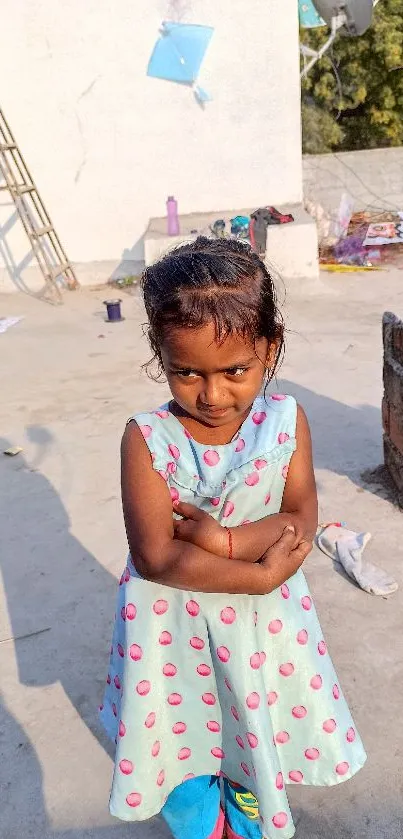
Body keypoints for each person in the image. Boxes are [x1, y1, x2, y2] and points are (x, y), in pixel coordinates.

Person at [99, 237, 366, 839]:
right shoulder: (146, 438)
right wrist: (260, 571)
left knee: (251, 731)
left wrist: (220, 542)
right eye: (185, 371)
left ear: (268, 350)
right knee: (185, 747)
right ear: (158, 354)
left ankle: (247, 817)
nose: (212, 394)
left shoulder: (285, 420)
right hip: (171, 636)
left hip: (261, 630)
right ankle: (198, 823)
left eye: (235, 371)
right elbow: (157, 556)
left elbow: (301, 516)